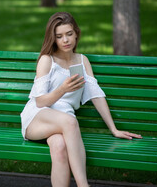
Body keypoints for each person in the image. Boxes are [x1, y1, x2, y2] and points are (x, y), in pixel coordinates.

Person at [20, 12, 142, 187]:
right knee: (70, 122)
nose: (65, 40)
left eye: (69, 34)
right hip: (38, 118)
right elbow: (40, 102)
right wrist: (62, 89)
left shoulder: (82, 60)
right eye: (59, 36)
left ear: (76, 33)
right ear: (53, 39)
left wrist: (113, 129)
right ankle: (84, 185)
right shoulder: (48, 60)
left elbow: (96, 94)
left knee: (59, 148)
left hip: (63, 122)